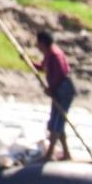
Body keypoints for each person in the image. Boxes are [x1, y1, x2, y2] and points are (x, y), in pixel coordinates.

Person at [32, 30, 75, 162]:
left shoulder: (55, 54)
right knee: (56, 121)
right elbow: (43, 67)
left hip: (64, 89)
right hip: (58, 89)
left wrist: (51, 89)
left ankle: (49, 154)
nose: (36, 45)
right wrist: (30, 62)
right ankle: (66, 153)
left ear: (43, 43)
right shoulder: (49, 54)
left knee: (57, 122)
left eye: (38, 42)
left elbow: (61, 74)